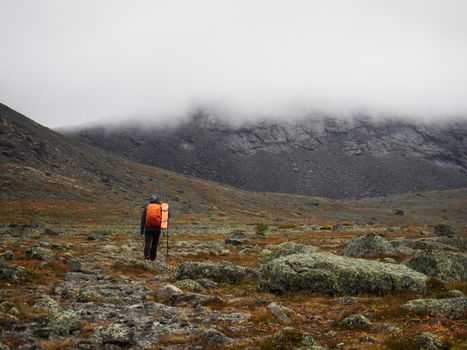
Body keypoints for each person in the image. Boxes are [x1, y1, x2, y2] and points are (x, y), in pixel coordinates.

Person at [140, 195, 166, 260]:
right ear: (158, 201)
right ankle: (153, 258)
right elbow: (167, 216)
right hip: (157, 229)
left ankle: (146, 255)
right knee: (154, 243)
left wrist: (141, 230)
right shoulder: (160, 208)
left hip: (148, 228)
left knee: (148, 242)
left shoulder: (147, 208)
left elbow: (143, 219)